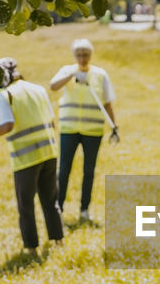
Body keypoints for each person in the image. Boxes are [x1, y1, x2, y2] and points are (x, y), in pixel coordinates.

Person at [0, 57, 63, 255]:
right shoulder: (37, 89)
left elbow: (7, 125)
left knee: (26, 206)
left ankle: (31, 248)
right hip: (49, 151)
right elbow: (51, 119)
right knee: (51, 200)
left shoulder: (5, 95)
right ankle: (58, 241)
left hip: (26, 159)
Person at [49, 38, 118, 225]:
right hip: (69, 129)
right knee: (64, 170)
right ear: (74, 55)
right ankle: (59, 208)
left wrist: (114, 126)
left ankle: (84, 210)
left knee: (89, 171)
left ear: (91, 55)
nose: (82, 58)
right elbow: (53, 86)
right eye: (78, 55)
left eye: (85, 54)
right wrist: (72, 75)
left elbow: (107, 103)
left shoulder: (100, 75)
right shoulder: (67, 71)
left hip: (92, 131)